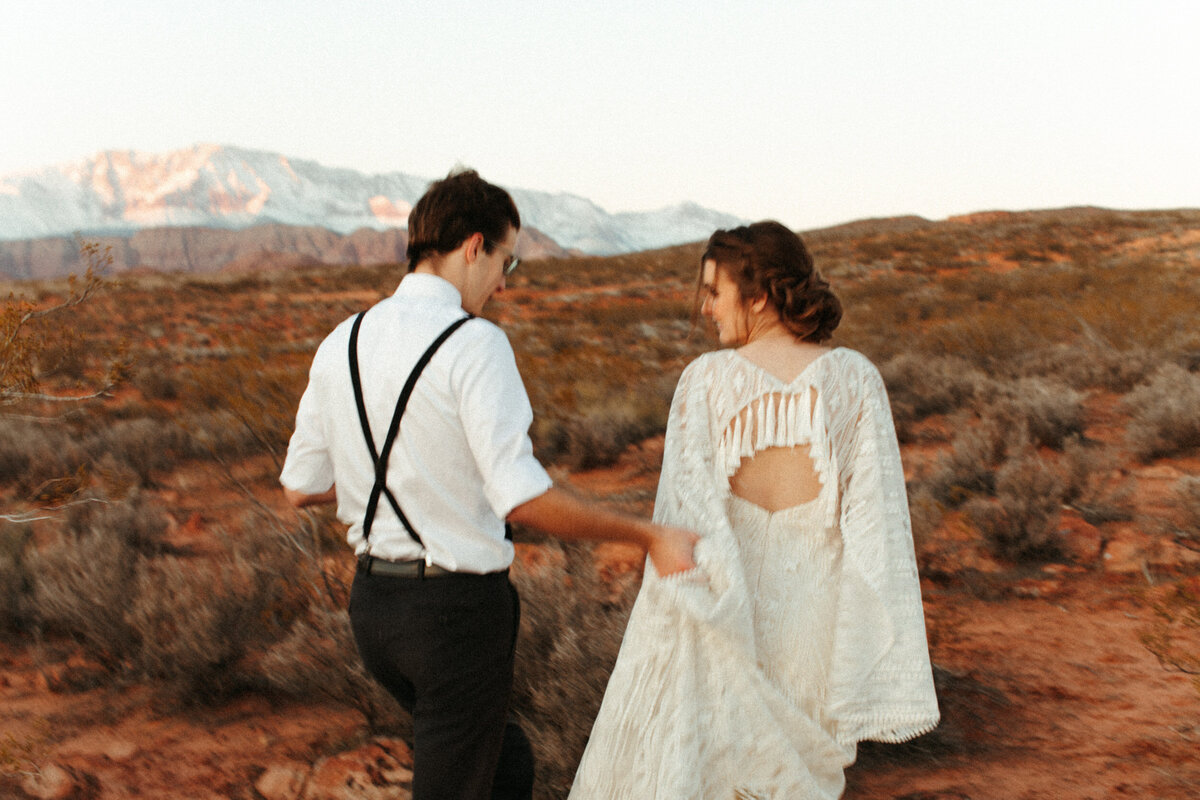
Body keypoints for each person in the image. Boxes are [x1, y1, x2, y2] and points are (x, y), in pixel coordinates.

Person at [279, 168, 697, 800]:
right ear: (473, 246)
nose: (505, 282)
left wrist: (402, 471)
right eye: (508, 260)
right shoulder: (475, 344)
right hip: (455, 616)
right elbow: (522, 497)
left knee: (504, 762)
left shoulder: (342, 340)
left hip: (373, 613)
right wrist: (645, 533)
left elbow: (301, 486)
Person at [569, 221, 940, 799]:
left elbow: (683, 526)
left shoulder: (706, 383)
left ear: (759, 296)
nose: (707, 306)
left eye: (715, 292)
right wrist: (857, 649)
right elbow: (876, 534)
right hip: (814, 628)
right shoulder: (855, 380)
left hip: (725, 619)